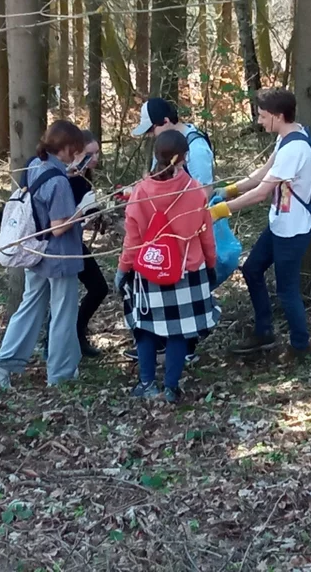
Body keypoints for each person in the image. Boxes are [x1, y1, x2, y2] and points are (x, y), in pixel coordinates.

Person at [209, 89, 311, 356]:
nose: (259, 120)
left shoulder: (296, 147)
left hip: (293, 230)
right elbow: (261, 175)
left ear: (279, 116)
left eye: (263, 116)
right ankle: (264, 332)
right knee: (252, 270)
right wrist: (228, 190)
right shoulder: (286, 139)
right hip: (279, 224)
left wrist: (219, 211)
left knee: (287, 290)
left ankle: (300, 347)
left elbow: (261, 193)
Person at [115, 130, 220, 403]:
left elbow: (133, 240)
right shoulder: (195, 190)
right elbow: (206, 234)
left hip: (149, 270)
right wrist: (211, 264)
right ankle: (171, 387)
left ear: (156, 156)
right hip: (187, 271)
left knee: (146, 328)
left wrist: (123, 269)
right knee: (180, 331)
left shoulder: (140, 193)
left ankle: (146, 383)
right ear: (184, 158)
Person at [0, 121, 87, 389]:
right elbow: (59, 228)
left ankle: (3, 363)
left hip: (34, 252)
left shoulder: (34, 165)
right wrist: (83, 209)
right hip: (60, 257)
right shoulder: (59, 183)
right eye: (75, 150)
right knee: (64, 314)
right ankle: (61, 373)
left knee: (29, 309)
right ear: (65, 149)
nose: (76, 155)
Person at [126, 98, 215, 365]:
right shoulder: (164, 150)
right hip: (162, 245)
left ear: (165, 122)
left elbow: (204, 195)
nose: (152, 136)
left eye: (153, 129)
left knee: (183, 303)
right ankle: (164, 345)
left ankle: (182, 347)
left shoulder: (195, 149)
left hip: (185, 244)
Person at [68, 130, 108, 358]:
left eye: (98, 153)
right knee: (63, 296)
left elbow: (88, 216)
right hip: (61, 245)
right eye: (90, 154)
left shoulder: (85, 178)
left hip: (74, 241)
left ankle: (77, 331)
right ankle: (65, 339)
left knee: (99, 288)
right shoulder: (66, 179)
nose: (95, 158)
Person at [131, 97, 215, 196]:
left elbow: (205, 193)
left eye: (151, 130)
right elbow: (155, 180)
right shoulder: (163, 144)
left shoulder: (196, 148)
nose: (150, 135)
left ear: (166, 121)